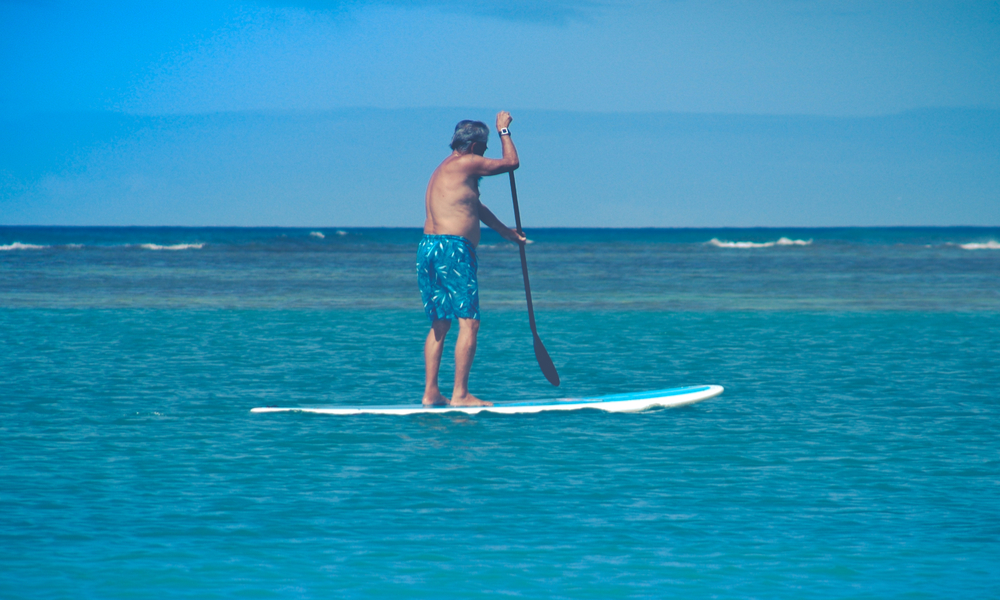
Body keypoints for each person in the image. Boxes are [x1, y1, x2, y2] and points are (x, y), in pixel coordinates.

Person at [417, 111, 526, 406]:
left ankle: (431, 393)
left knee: (440, 323)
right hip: (454, 251)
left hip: (429, 248)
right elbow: (511, 163)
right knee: (469, 323)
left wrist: (506, 232)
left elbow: (474, 206)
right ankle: (460, 394)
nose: (486, 154)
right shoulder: (468, 162)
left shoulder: (446, 169)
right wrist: (503, 131)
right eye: (486, 148)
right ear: (476, 147)